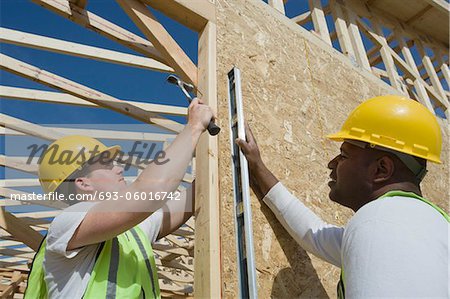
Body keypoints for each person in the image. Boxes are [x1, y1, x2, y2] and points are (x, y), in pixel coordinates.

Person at [236, 95, 449, 298]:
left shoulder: (377, 222)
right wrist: (258, 167)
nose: (332, 163)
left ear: (381, 169)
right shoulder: (429, 227)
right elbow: (314, 234)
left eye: (345, 155)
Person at [25, 98, 215, 299]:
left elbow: (191, 197)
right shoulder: (68, 221)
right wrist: (194, 126)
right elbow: (152, 192)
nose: (119, 168)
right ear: (83, 183)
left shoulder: (133, 233)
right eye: (107, 165)